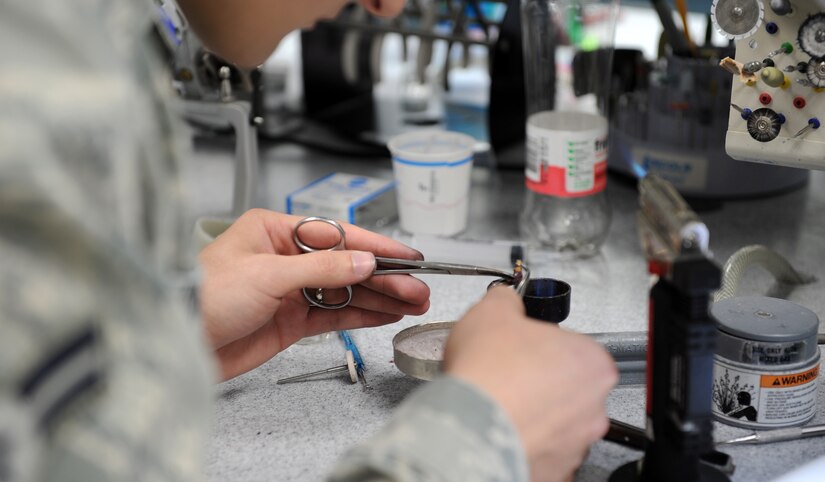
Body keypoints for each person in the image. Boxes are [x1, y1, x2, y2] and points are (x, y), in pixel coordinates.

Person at [0, 1, 617, 482]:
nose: (387, 8)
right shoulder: (47, 70)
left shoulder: (92, 42)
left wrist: (165, 332)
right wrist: (484, 440)